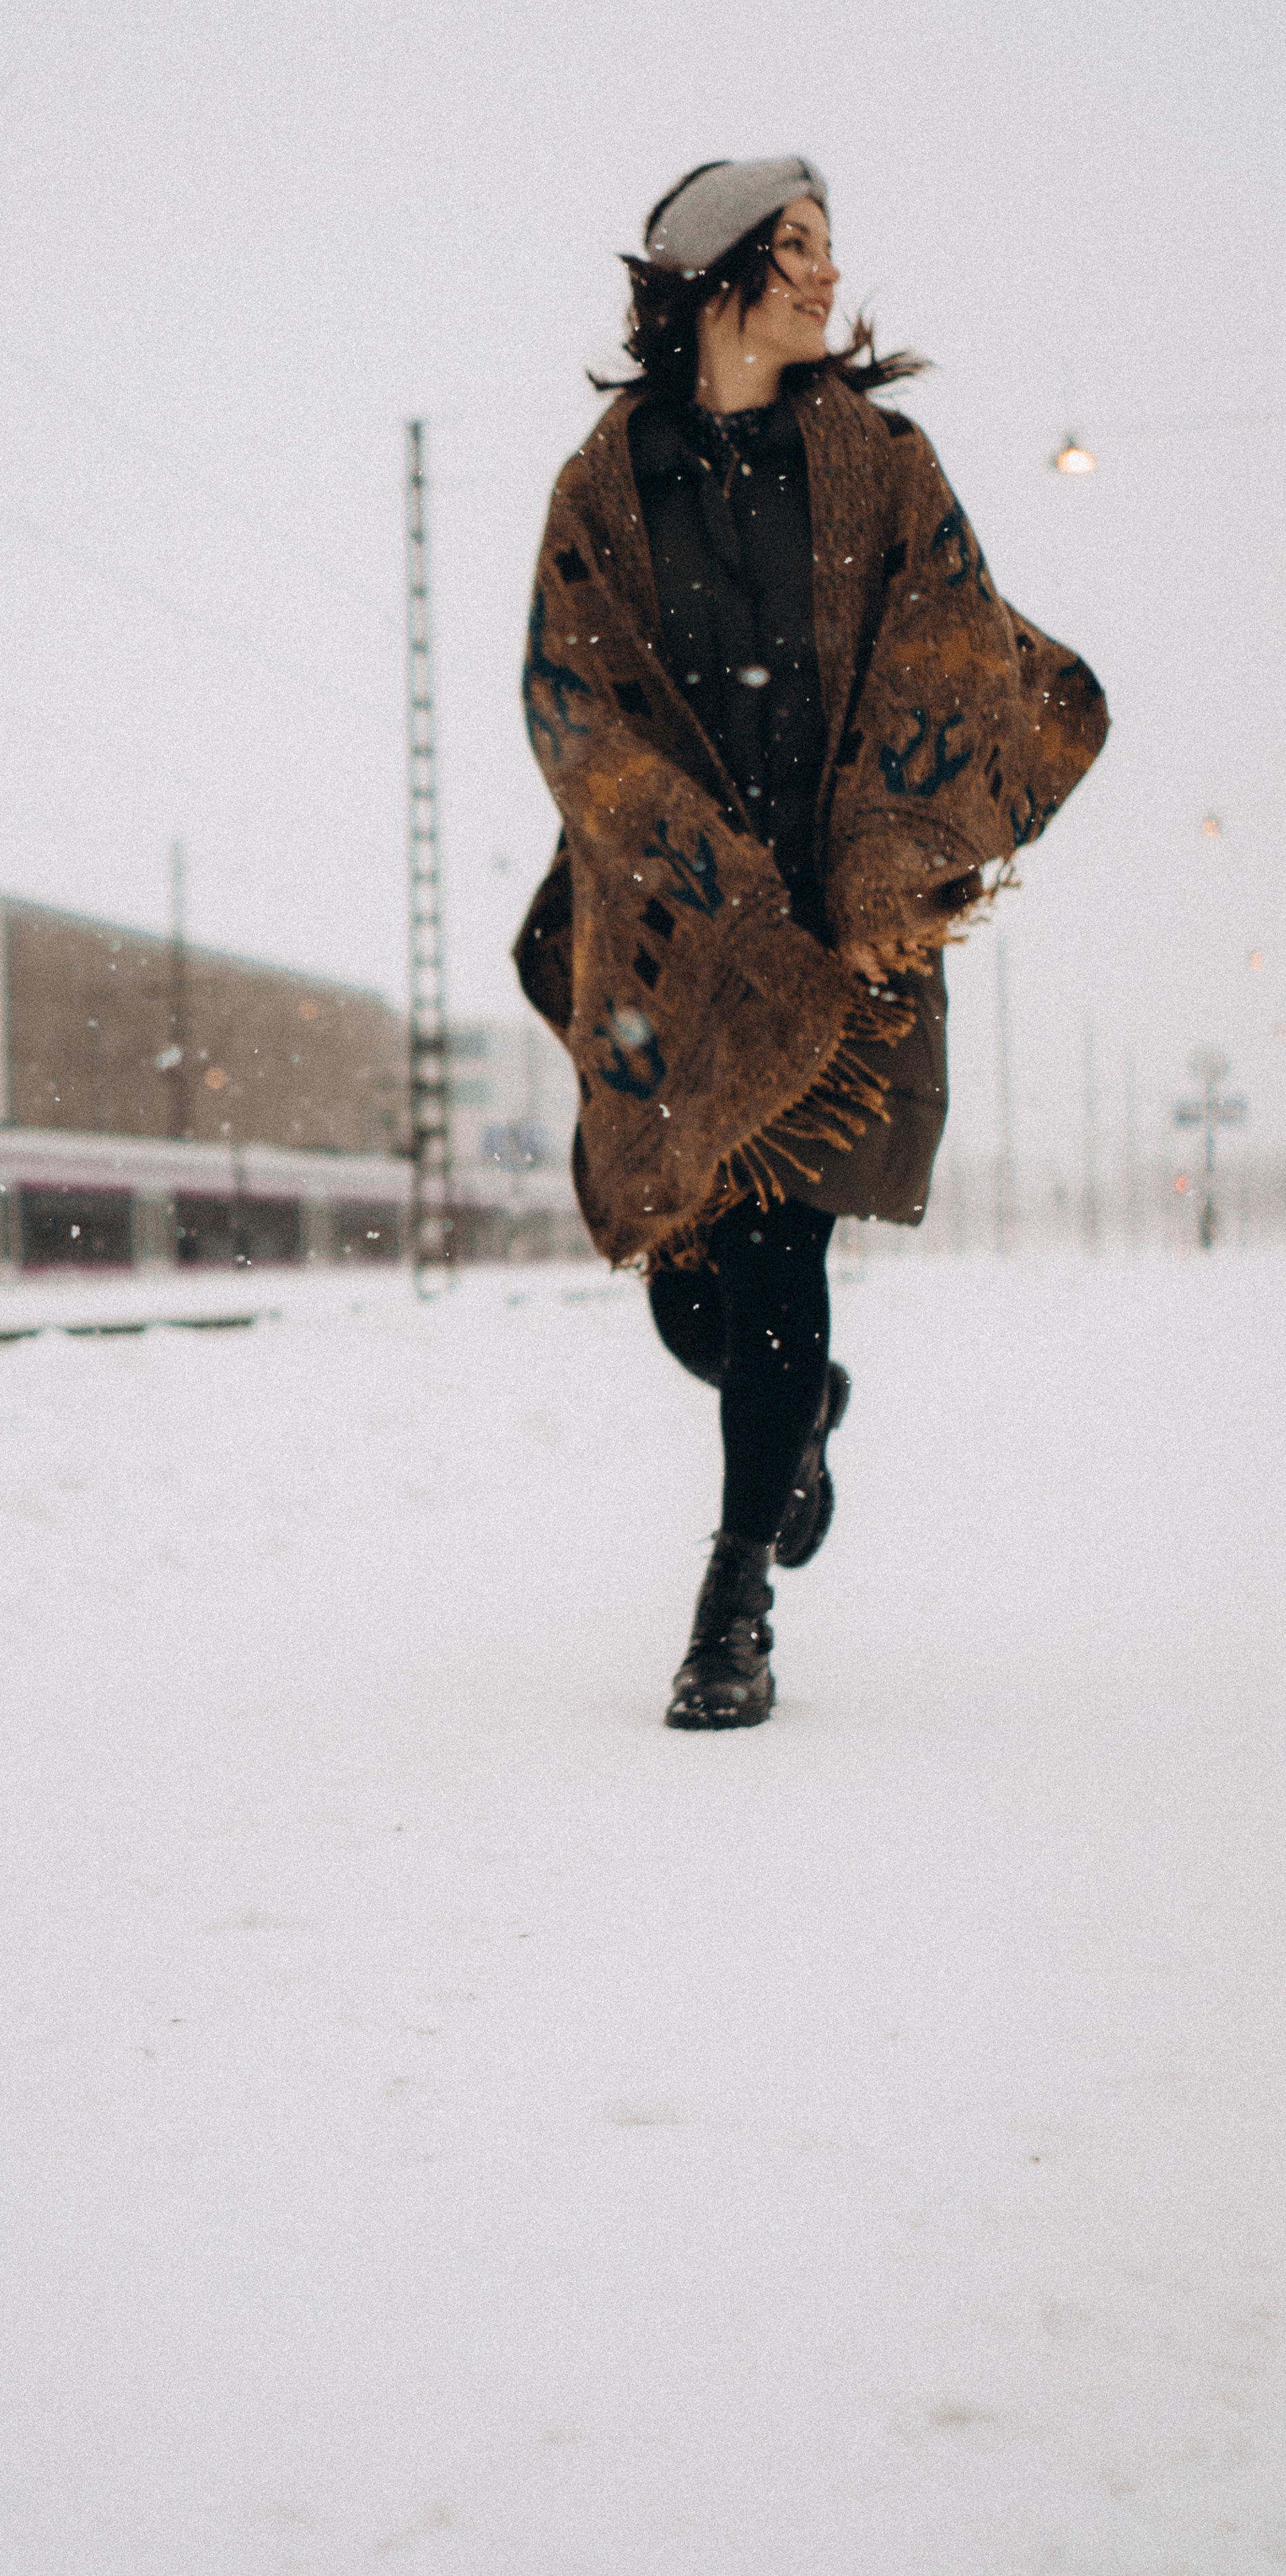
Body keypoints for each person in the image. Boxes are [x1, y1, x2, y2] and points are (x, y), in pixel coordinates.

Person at [514, 156, 1108, 1729]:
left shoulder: (878, 465)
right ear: (712, 277)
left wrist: (883, 862)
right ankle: (799, 1422)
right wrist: (692, 872)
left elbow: (953, 645)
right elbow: (572, 697)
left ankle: (729, 1605)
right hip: (680, 937)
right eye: (795, 249)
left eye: (827, 250)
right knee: (684, 1282)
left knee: (779, 1252)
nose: (824, 278)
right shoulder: (604, 484)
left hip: (843, 934)